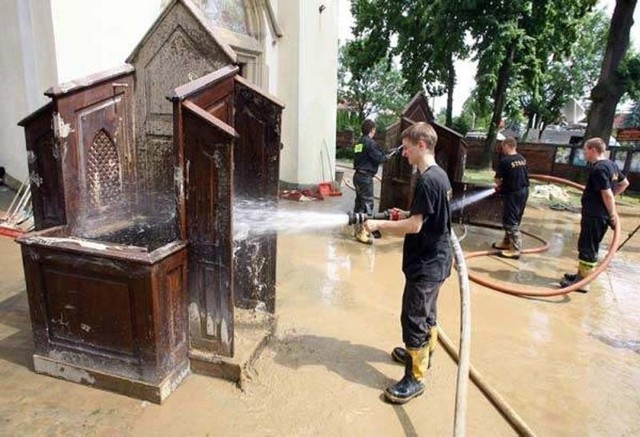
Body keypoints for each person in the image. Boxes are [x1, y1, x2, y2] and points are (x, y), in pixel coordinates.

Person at [364, 122, 452, 404]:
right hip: (437, 260)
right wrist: (403, 212)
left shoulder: (427, 180)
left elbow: (414, 227)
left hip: (426, 264)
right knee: (428, 315)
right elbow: (424, 216)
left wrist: (378, 223)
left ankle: (415, 378)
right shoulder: (439, 176)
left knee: (413, 318)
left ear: (422, 145)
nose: (404, 154)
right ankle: (424, 356)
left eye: (407, 147)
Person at [560, 137, 629, 291]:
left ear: (593, 150)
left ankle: (583, 283)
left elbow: (607, 194)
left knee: (588, 247)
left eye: (585, 150)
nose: (584, 153)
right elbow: (624, 184)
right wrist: (608, 204)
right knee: (587, 245)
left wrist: (611, 214)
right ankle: (581, 275)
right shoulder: (611, 165)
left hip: (595, 215)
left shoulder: (599, 169)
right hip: (597, 213)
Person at [492, 137, 529, 259]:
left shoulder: (505, 161)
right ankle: (506, 243)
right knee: (515, 218)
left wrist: (498, 185)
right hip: (523, 191)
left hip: (512, 193)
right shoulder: (521, 159)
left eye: (503, 147)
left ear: (507, 146)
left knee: (510, 221)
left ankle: (515, 250)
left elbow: (497, 180)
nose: (502, 150)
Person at [352, 119, 388, 244]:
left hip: (357, 176)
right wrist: (387, 156)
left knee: (359, 204)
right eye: (374, 129)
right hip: (365, 178)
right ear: (372, 129)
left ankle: (357, 230)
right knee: (367, 205)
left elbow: (362, 156)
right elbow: (378, 158)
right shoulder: (370, 143)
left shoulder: (359, 142)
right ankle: (363, 233)